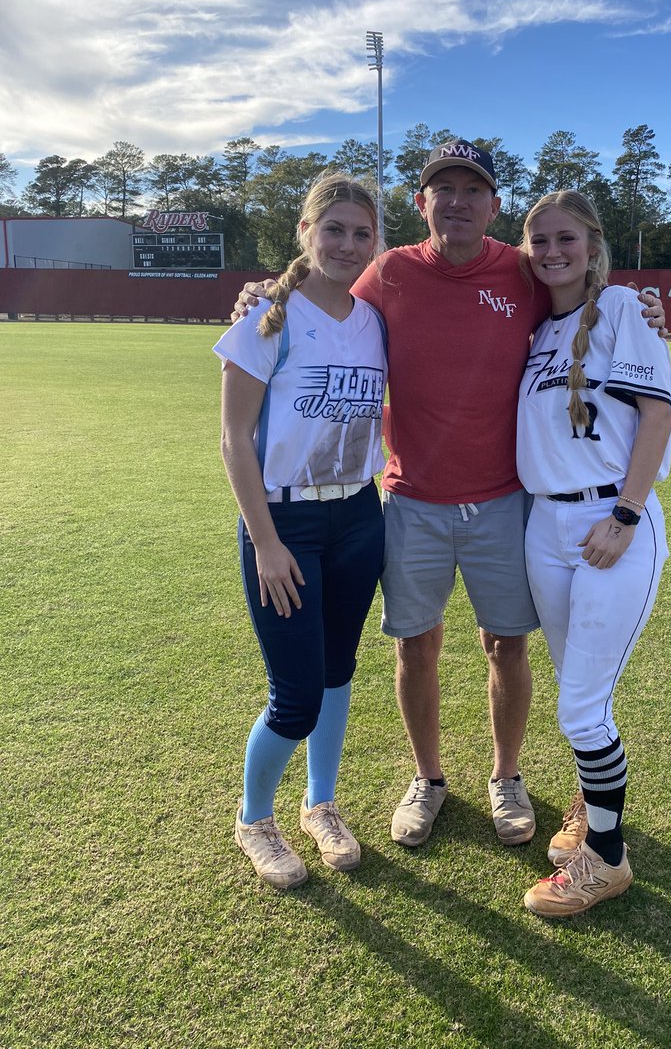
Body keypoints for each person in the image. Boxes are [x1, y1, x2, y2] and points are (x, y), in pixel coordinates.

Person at [231, 140, 667, 851]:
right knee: (416, 647)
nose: (457, 201)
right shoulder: (389, 271)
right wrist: (260, 296)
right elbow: (318, 294)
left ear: (494, 206)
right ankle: (428, 778)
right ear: (420, 201)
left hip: (504, 502)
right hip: (411, 502)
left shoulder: (523, 270)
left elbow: (580, 290)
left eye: (473, 189)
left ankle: (507, 776)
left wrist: (637, 305)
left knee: (505, 645)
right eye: (443, 188)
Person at [214, 174, 386, 889]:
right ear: (305, 232)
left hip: (358, 514)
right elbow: (233, 438)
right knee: (296, 695)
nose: (347, 244)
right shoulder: (268, 316)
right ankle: (255, 819)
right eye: (334, 229)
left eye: (361, 233)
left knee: (338, 670)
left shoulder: (374, 318)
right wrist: (266, 541)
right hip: (284, 521)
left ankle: (320, 805)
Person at [515, 190, 671, 917]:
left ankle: (605, 860)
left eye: (565, 238)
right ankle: (590, 800)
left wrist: (627, 514)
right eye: (538, 239)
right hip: (545, 526)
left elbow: (657, 415)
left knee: (581, 709)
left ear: (592, 243)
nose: (552, 251)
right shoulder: (536, 327)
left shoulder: (619, 310)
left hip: (611, 523)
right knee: (576, 689)